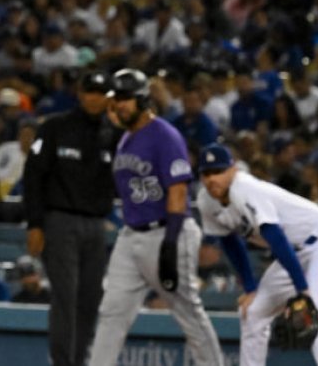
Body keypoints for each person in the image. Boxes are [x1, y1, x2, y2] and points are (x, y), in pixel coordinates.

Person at [88, 69, 222, 366]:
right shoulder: (125, 139)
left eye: (125, 99)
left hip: (167, 231)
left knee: (188, 313)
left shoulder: (164, 135)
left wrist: (170, 244)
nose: (119, 105)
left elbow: (177, 191)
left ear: (142, 100)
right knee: (111, 312)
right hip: (131, 235)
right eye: (116, 99)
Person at [196, 144, 318, 365]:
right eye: (207, 173)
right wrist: (250, 288)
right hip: (294, 253)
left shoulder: (245, 189)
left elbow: (276, 238)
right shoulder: (205, 201)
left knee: (313, 313)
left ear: (232, 169)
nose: (213, 179)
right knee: (253, 313)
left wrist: (302, 290)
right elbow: (230, 243)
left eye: (219, 171)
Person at [20, 70, 118, 366]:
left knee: (90, 300)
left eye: (101, 93)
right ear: (79, 93)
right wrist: (35, 223)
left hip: (95, 226)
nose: (94, 98)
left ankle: (81, 360)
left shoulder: (113, 134)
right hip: (59, 221)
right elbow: (33, 175)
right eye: (89, 92)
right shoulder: (54, 127)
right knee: (65, 298)